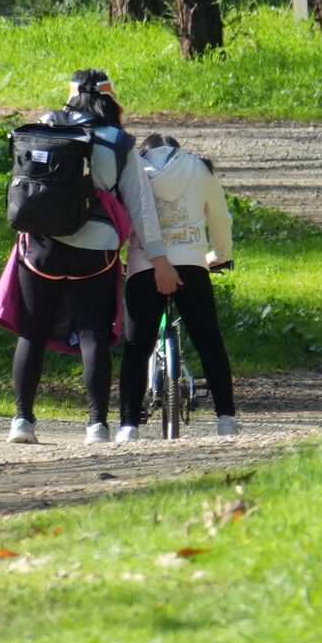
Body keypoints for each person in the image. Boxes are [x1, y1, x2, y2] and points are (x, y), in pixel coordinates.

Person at [0, 67, 139, 443]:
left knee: (32, 331)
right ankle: (97, 425)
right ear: (110, 100)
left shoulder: (44, 126)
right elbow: (139, 207)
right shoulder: (119, 141)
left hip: (40, 247)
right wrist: (153, 256)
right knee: (93, 334)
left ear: (71, 96)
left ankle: (22, 421)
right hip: (96, 251)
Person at [115, 122, 240, 437]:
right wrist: (219, 254)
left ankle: (128, 426)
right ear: (176, 149)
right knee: (209, 342)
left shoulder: (132, 171)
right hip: (191, 266)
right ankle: (226, 419)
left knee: (136, 348)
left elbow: (120, 217)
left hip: (144, 267)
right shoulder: (199, 169)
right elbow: (220, 219)